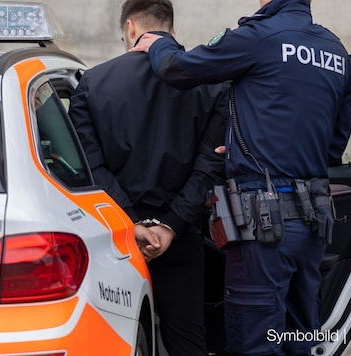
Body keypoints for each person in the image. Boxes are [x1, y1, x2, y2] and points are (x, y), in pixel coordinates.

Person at [130, 0, 351, 355]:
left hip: (264, 227)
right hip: (312, 222)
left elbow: (177, 68)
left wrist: (157, 42)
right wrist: (246, 147)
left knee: (254, 342)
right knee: (300, 337)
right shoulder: (334, 50)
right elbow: (333, 146)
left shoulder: (259, 36)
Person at [68, 0, 229, 354]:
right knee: (188, 342)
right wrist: (170, 225)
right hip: (182, 235)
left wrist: (132, 223)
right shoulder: (211, 85)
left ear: (129, 27)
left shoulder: (93, 83)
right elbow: (210, 166)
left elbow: (91, 168)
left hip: (114, 239)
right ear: (171, 27)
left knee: (116, 340)